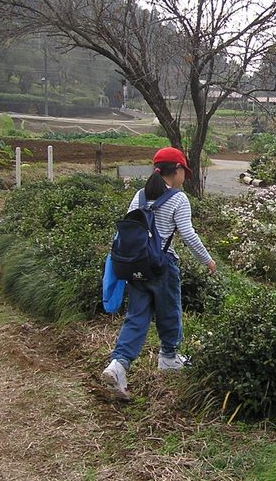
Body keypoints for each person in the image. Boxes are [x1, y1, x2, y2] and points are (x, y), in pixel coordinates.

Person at [101, 147, 216, 400]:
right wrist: (207, 259)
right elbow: (187, 234)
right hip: (162, 266)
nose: (184, 177)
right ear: (175, 171)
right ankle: (169, 357)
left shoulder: (139, 196)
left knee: (136, 317)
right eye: (183, 172)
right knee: (169, 310)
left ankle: (118, 365)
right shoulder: (178, 199)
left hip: (136, 266)